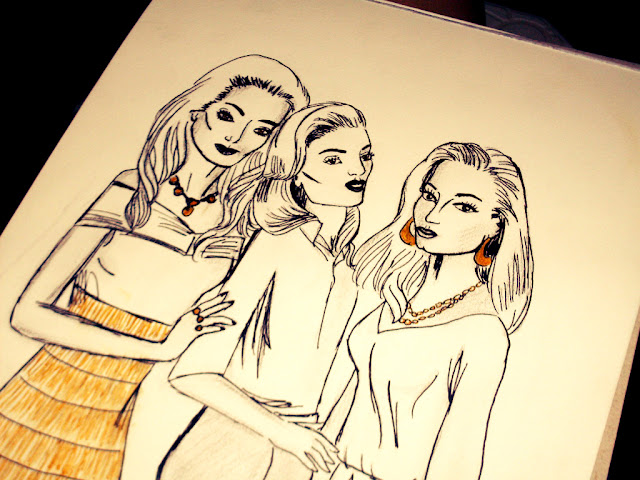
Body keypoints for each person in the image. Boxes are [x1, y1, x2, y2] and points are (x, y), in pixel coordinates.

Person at [0, 55, 309, 480]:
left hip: (114, 423)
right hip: (41, 398)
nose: (237, 137)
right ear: (196, 111)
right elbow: (27, 314)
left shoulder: (241, 226)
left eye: (261, 130)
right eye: (226, 116)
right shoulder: (133, 190)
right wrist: (161, 349)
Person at [159, 102, 375, 480]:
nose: (357, 170)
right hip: (230, 446)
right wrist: (283, 434)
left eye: (365, 156)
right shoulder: (275, 243)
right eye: (333, 160)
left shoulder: (347, 265)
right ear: (296, 172)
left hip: (300, 452)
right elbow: (191, 372)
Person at [319, 142, 533, 480]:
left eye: (463, 207)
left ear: (496, 226)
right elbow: (346, 407)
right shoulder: (397, 293)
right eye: (430, 196)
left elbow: (459, 460)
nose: (432, 214)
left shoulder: (483, 333)